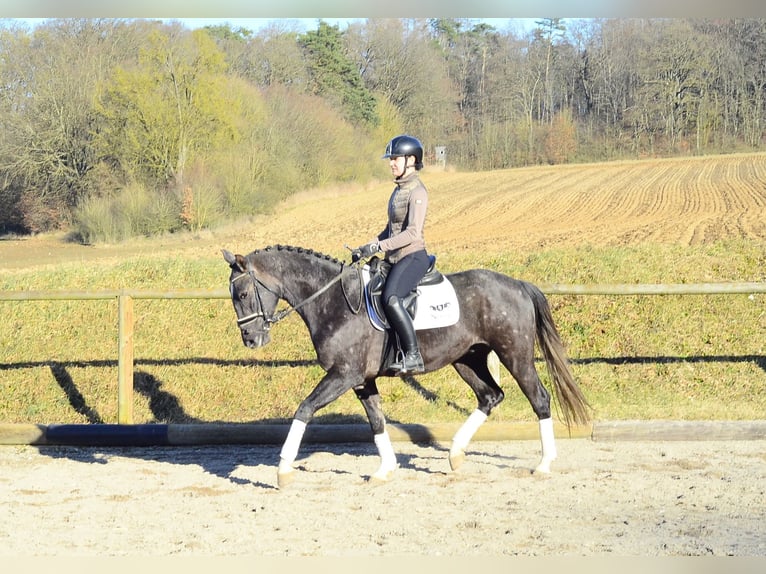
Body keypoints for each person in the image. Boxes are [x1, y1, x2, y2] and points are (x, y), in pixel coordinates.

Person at [353, 134, 429, 374]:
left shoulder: (417, 192)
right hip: (394, 258)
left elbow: (412, 233)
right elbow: (390, 229)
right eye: (391, 159)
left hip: (413, 256)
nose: (391, 163)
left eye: (395, 158)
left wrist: (379, 247)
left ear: (411, 160)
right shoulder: (398, 191)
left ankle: (413, 355)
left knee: (391, 297)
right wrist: (368, 246)